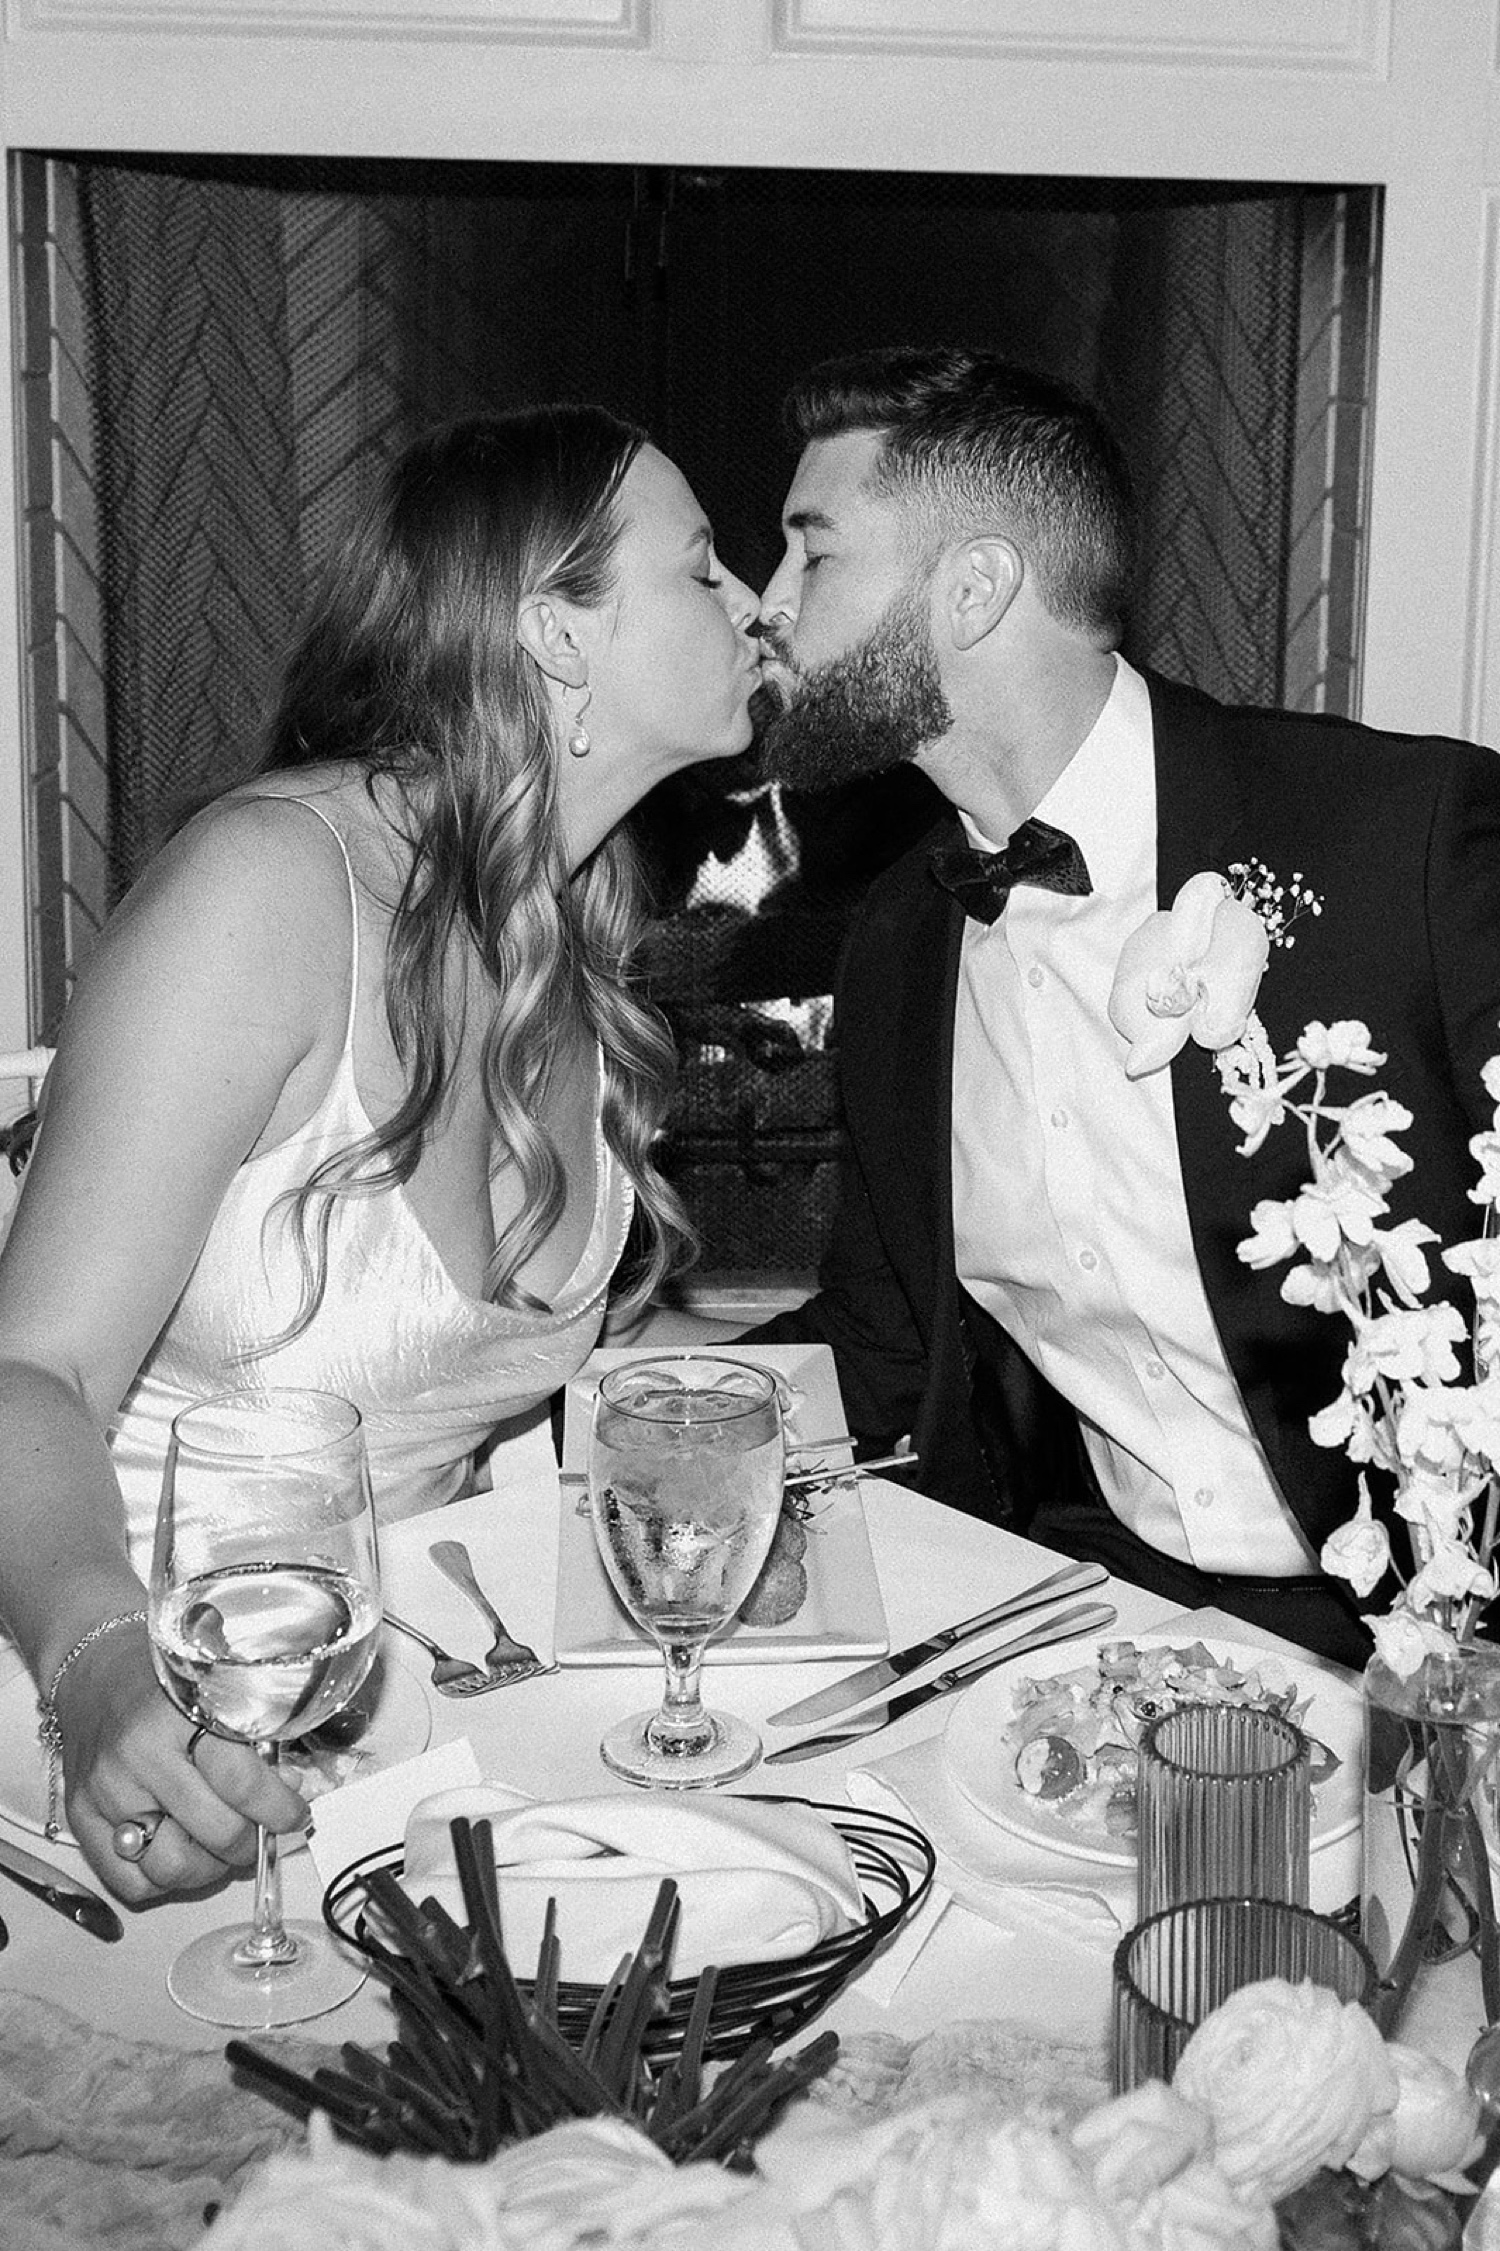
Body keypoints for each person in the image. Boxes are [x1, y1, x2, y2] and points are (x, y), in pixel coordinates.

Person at [0, 406, 762, 1898]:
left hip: (399, 1738)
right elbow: (33, 1372)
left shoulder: (574, 937)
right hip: (107, 1729)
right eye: (701, 568)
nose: (752, 604)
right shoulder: (271, 892)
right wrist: (100, 1678)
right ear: (554, 634)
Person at [748, 343, 1500, 1669]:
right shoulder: (900, 949)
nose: (767, 604)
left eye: (813, 553)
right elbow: (879, 1345)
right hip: (1098, 1635)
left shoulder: (1408, 840)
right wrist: (611, 1416)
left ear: (974, 588)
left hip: (1450, 1644)